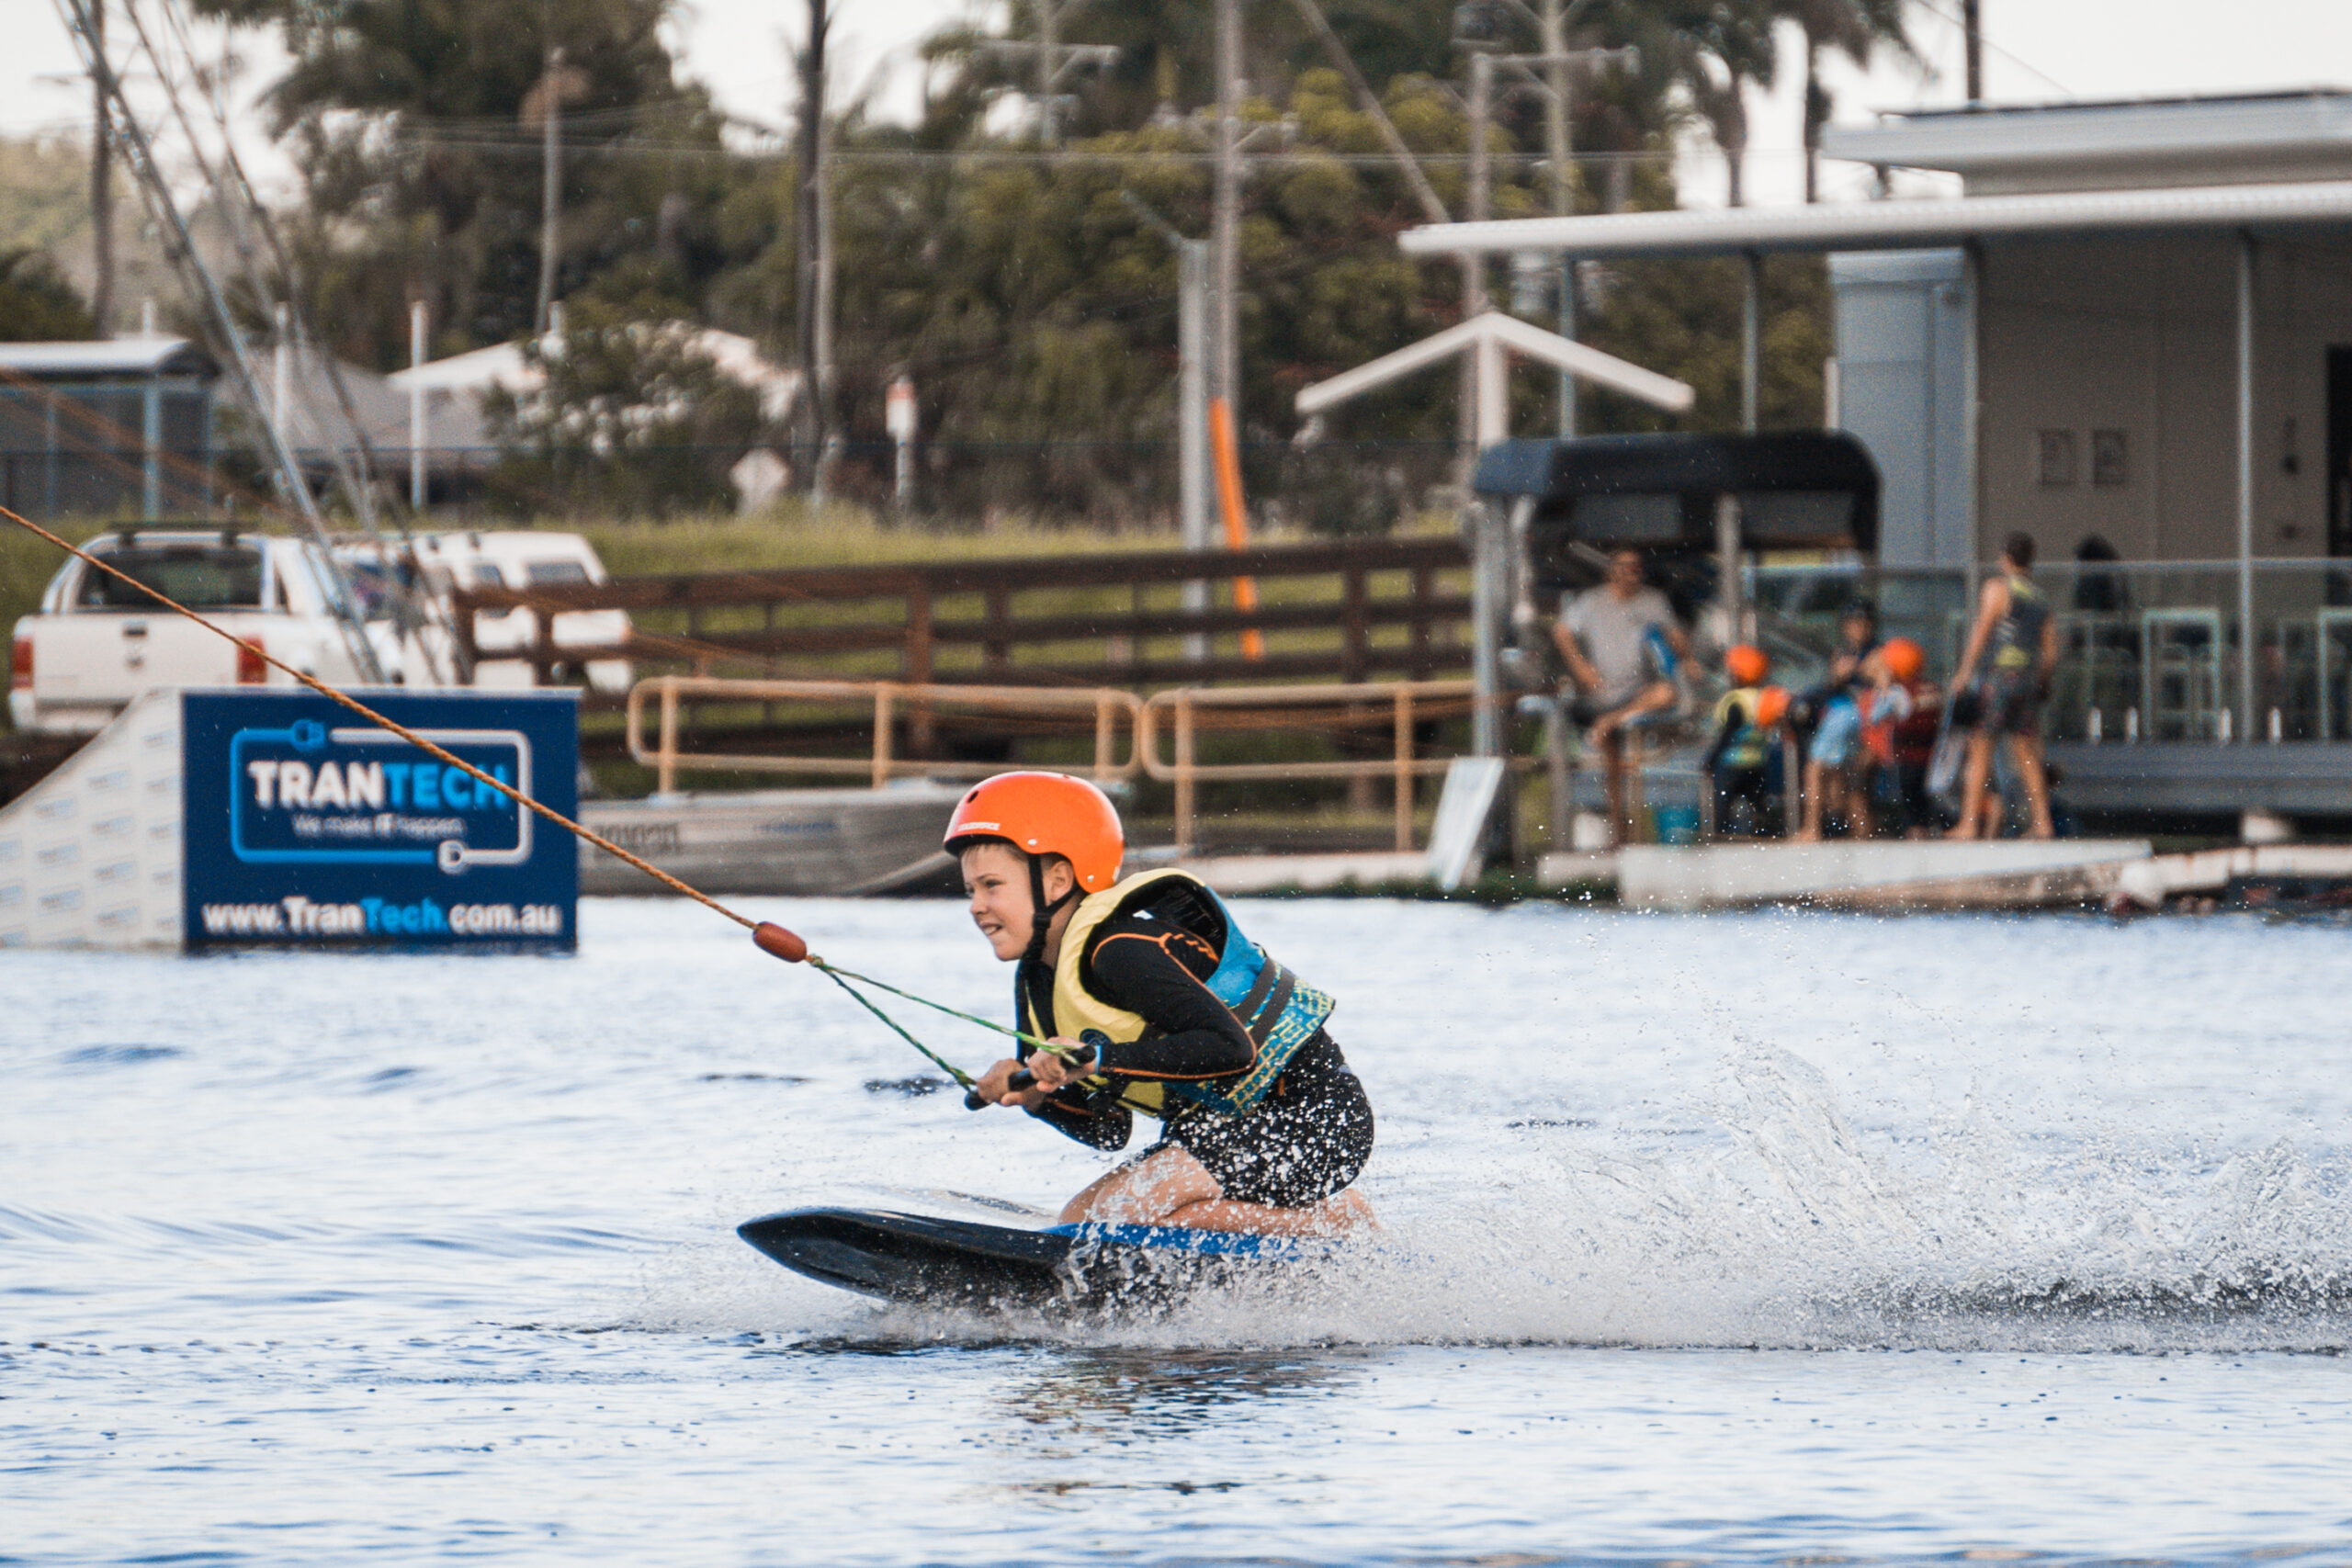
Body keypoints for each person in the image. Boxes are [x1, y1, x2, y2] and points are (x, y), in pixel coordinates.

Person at [956, 772, 1375, 1236]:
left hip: (1313, 1122)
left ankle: (1338, 1221)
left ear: (1057, 880)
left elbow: (1232, 1049)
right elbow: (1107, 1131)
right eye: (970, 890)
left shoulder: (1120, 951)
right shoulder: (1036, 981)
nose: (976, 905)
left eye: (991, 885)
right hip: (1213, 1130)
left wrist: (1098, 1059)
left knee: (1119, 1215)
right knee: (1077, 1221)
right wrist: (1036, 1096)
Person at [1551, 548, 1692, 846]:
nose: (1632, 574)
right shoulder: (1592, 601)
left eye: (1636, 568)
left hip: (1638, 692)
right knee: (1611, 767)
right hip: (1603, 692)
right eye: (1625, 567)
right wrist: (1580, 666)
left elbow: (1675, 639)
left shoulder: (1653, 601)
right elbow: (1561, 631)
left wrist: (1682, 652)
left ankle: (1609, 721)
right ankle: (1619, 833)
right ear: (1612, 571)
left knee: (1667, 693)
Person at [1948, 532, 2061, 840]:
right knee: (2026, 752)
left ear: (2005, 558)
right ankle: (2043, 823)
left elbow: (1982, 632)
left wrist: (1964, 673)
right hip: (2026, 679)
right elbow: (2051, 650)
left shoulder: (1998, 588)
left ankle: (1969, 823)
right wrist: (2043, 683)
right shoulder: (2040, 598)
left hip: (1999, 676)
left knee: (1981, 747)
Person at [1794, 599, 1882, 841]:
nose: (1859, 628)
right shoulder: (1844, 653)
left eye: (1863, 623)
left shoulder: (1876, 654)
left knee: (1816, 769)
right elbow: (1832, 684)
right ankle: (1862, 834)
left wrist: (1856, 671)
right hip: (1849, 719)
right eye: (1854, 623)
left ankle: (1812, 828)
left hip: (1852, 718)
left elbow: (1879, 686)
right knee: (1850, 782)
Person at [1860, 637, 1943, 837]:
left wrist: (1882, 689)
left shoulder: (1897, 692)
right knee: (1926, 797)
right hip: (1931, 755)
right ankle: (1929, 826)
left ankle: (1916, 830)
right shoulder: (1931, 687)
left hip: (1908, 755)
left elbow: (1875, 717)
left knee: (1911, 798)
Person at [1702, 645, 1785, 839]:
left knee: (1722, 805)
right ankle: (1769, 832)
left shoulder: (1736, 700)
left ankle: (1719, 834)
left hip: (1732, 764)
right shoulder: (1764, 697)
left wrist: (1709, 761)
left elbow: (1727, 735)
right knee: (1759, 804)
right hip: (1758, 763)